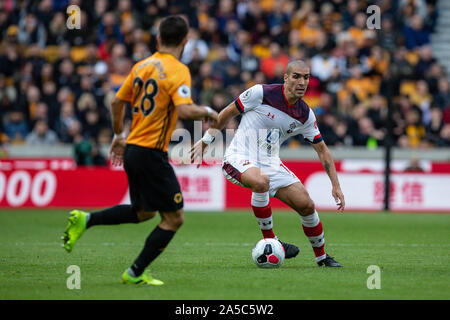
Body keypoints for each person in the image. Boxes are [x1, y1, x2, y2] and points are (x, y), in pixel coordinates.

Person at [62, 15, 218, 285]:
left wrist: (118, 135)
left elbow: (115, 102)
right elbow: (185, 110)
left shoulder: (141, 66)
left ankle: (85, 220)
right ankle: (134, 272)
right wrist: (208, 111)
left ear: (158, 39)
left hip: (134, 149)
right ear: (185, 41)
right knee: (174, 218)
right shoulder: (178, 69)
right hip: (151, 153)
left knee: (144, 212)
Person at [191, 60, 345, 267]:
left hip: (271, 163)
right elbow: (227, 112)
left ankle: (322, 258)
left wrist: (335, 185)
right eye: (296, 76)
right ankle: (271, 240)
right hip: (238, 157)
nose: (302, 82)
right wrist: (206, 141)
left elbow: (323, 150)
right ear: (286, 77)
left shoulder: (305, 115)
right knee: (260, 181)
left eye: (306, 77)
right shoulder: (260, 93)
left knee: (306, 205)